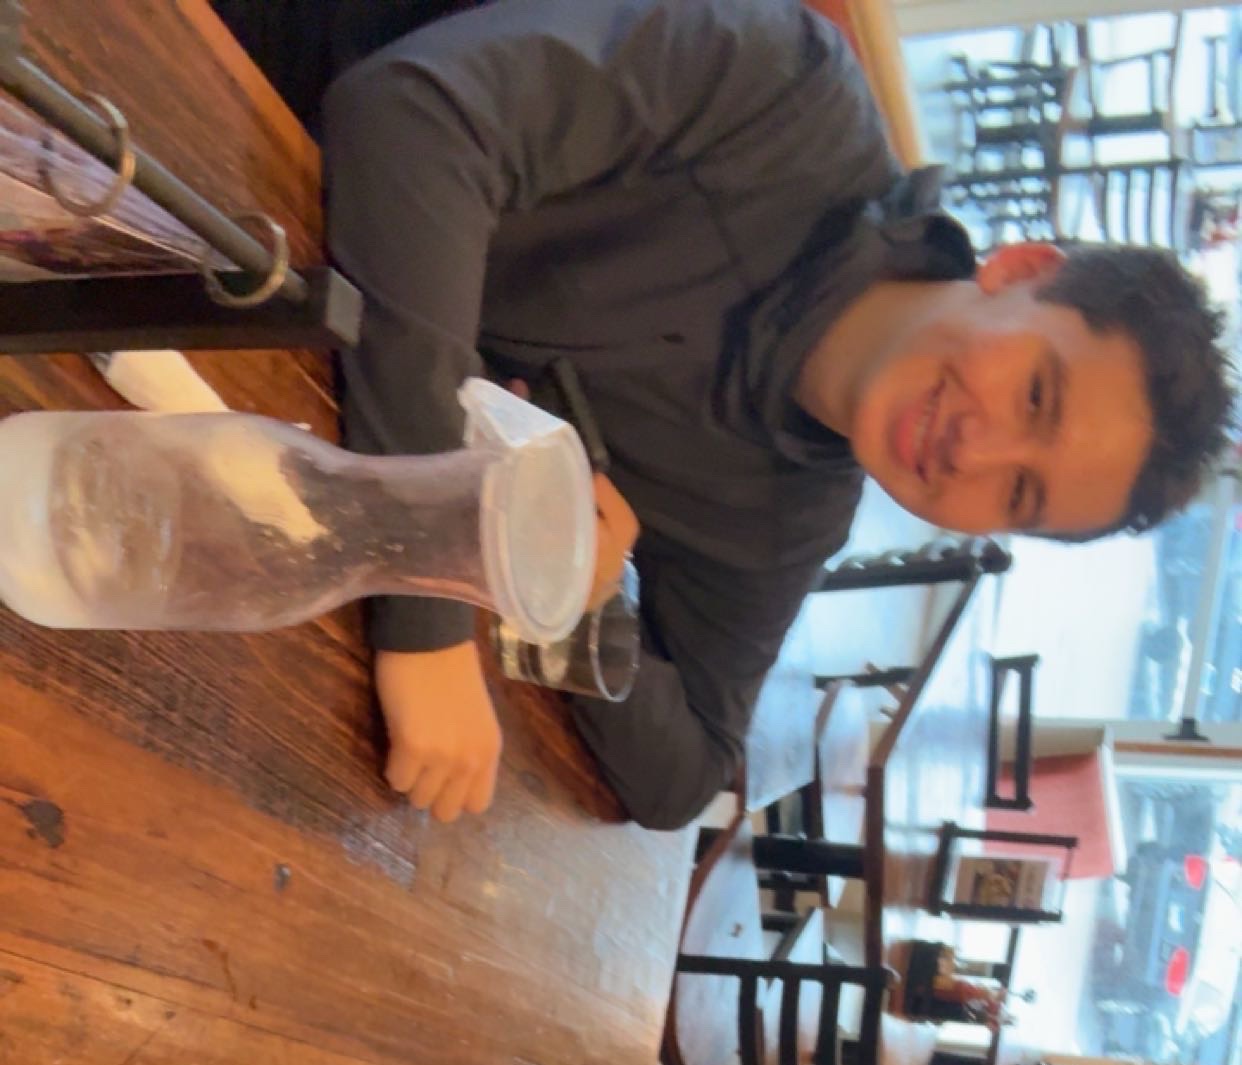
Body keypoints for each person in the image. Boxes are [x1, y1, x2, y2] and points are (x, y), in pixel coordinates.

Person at [211, 0, 1233, 829]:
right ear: (1021, 271)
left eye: (1019, 494)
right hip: (216, 126)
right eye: (1036, 395)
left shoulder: (794, 512)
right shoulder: (786, 92)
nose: (978, 452)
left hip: (264, 430)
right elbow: (413, 121)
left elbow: (683, 776)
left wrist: (591, 601)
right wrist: (422, 589)